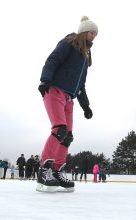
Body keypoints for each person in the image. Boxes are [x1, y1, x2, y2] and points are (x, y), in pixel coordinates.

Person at [37, 16, 98, 192]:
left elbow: (81, 85)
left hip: (69, 98)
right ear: (84, 31)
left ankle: (56, 171)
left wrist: (86, 106)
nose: (94, 36)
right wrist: (44, 80)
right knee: (59, 130)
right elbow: (53, 59)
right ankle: (44, 170)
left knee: (67, 136)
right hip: (54, 89)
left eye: (96, 34)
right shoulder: (69, 42)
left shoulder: (85, 58)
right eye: (92, 32)